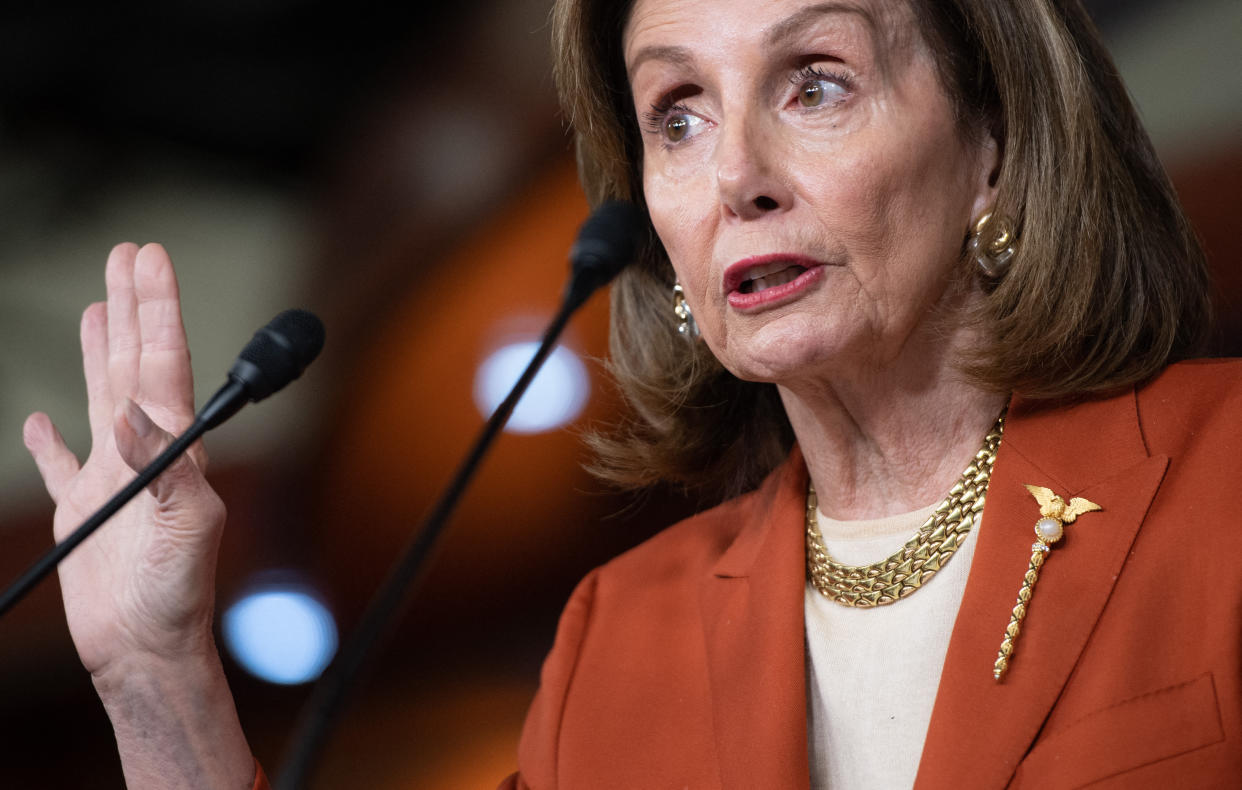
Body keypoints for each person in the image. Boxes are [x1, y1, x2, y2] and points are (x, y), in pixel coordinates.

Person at [21, 1, 1240, 789]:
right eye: (678, 114)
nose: (737, 177)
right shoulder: (620, 637)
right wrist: (155, 668)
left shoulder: (1221, 481)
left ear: (995, 146)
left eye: (815, 83)